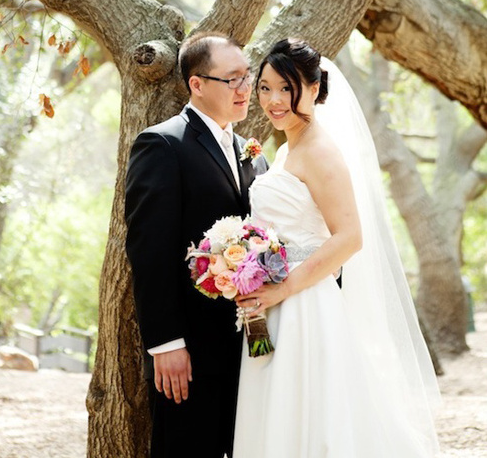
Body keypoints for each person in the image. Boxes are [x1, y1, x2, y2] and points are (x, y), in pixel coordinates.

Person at [233, 38, 440, 458]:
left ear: (313, 89)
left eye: (286, 89)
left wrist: (284, 288)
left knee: (312, 415)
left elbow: (349, 237)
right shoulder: (290, 147)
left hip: (305, 306)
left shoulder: (322, 151)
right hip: (272, 302)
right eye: (266, 87)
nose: (274, 100)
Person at [125, 32, 268, 458]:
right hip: (190, 347)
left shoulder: (252, 153)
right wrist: (166, 344)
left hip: (251, 341)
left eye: (248, 77)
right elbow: (149, 251)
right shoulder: (162, 144)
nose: (246, 90)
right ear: (197, 84)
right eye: (232, 80)